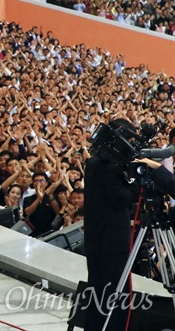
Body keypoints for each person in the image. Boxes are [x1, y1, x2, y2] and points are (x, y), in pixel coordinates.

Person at [84, 119, 144, 330]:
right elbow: (120, 197)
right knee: (117, 290)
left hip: (95, 237)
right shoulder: (110, 167)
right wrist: (139, 181)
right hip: (113, 240)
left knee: (97, 286)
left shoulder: (93, 162)